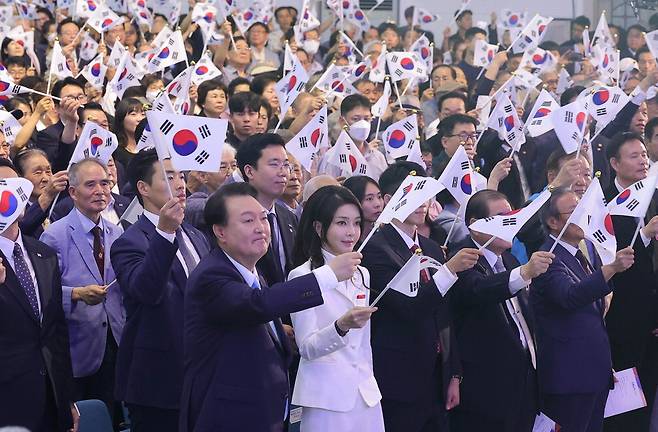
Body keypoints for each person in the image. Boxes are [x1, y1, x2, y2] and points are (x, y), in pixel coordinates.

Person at [179, 182, 362, 431]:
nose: (260, 228)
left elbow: (249, 318)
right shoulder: (211, 275)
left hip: (265, 412)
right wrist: (327, 275)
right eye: (247, 221)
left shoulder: (253, 271)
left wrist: (278, 334)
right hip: (228, 417)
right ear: (220, 232)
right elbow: (256, 305)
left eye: (263, 218)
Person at [360, 161, 480, 432]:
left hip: (437, 375)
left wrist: (453, 371)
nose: (423, 203)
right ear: (389, 200)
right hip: (399, 377)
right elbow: (408, 308)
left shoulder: (430, 247)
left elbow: (443, 313)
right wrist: (449, 270)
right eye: (414, 194)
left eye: (426, 195)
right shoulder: (375, 250)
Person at [110, 149, 210, 430]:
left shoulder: (196, 235)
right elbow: (147, 291)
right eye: (168, 177)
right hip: (159, 383)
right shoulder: (128, 242)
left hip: (204, 373)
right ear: (143, 188)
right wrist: (164, 234)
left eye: (181, 175)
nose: (180, 183)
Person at [449, 189, 553, 431]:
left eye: (512, 216)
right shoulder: (462, 257)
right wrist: (525, 273)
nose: (511, 224)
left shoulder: (509, 260)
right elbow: (478, 290)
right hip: (487, 387)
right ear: (475, 224)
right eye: (502, 217)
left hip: (525, 382)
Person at [532, 187, 635, 432]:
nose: (582, 216)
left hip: (593, 372)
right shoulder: (548, 258)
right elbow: (569, 296)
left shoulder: (581, 254)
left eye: (583, 209)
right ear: (553, 222)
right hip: (569, 378)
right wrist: (611, 269)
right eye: (573, 211)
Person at [289, 185, 382, 431]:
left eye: (356, 223)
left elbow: (364, 346)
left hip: (366, 395)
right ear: (319, 228)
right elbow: (306, 347)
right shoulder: (302, 276)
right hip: (325, 400)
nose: (351, 232)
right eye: (341, 223)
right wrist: (340, 327)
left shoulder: (362, 272)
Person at [39, 158, 125, 427]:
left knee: (111, 415)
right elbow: (45, 294)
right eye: (91, 185)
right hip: (77, 345)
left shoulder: (115, 231)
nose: (100, 190)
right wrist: (76, 293)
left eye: (105, 183)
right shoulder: (55, 234)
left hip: (115, 340)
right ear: (73, 192)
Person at [0, 158, 79, 432]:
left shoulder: (43, 253)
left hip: (50, 399)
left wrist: (67, 397)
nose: (11, 195)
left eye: (16, 186)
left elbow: (56, 330)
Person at [604, 132, 658, 430]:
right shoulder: (602, 203)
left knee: (649, 398)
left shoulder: (654, 195)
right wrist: (646, 236)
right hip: (621, 321)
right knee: (624, 408)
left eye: (644, 154)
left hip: (653, 318)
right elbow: (611, 260)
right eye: (634, 156)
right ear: (614, 163)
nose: (643, 161)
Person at [237, 133, 298, 285]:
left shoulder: (288, 216)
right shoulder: (235, 218)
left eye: (285, 164)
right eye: (274, 164)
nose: (283, 172)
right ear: (250, 171)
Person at [319, 95, 388, 181]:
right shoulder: (331, 158)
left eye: (366, 119)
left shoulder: (378, 157)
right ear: (342, 122)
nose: (362, 124)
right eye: (356, 119)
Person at [343, 175, 384, 243]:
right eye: (369, 199)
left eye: (379, 197)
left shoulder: (382, 235)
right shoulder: (346, 239)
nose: (378, 204)